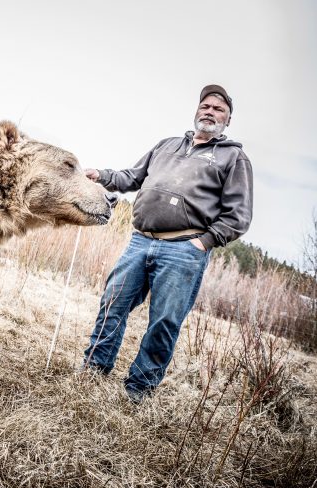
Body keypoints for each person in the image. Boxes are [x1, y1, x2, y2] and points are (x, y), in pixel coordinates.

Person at [82, 85, 253, 403]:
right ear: (196, 111)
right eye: (205, 105)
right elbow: (131, 177)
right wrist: (101, 175)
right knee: (112, 305)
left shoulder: (233, 158)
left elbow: (238, 215)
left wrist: (204, 243)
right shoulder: (167, 145)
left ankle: (138, 390)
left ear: (228, 120)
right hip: (140, 242)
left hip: (184, 248)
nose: (210, 111)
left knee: (164, 321)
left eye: (218, 109)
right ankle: (93, 370)